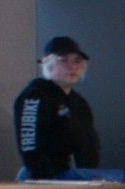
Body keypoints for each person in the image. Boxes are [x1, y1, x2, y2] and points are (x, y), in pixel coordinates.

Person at [13, 36, 99, 180]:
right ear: (49, 64)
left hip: (70, 176)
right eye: (64, 60)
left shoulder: (78, 102)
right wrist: (49, 181)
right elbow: (30, 147)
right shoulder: (35, 95)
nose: (72, 66)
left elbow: (89, 145)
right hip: (40, 178)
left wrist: (89, 177)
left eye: (77, 61)